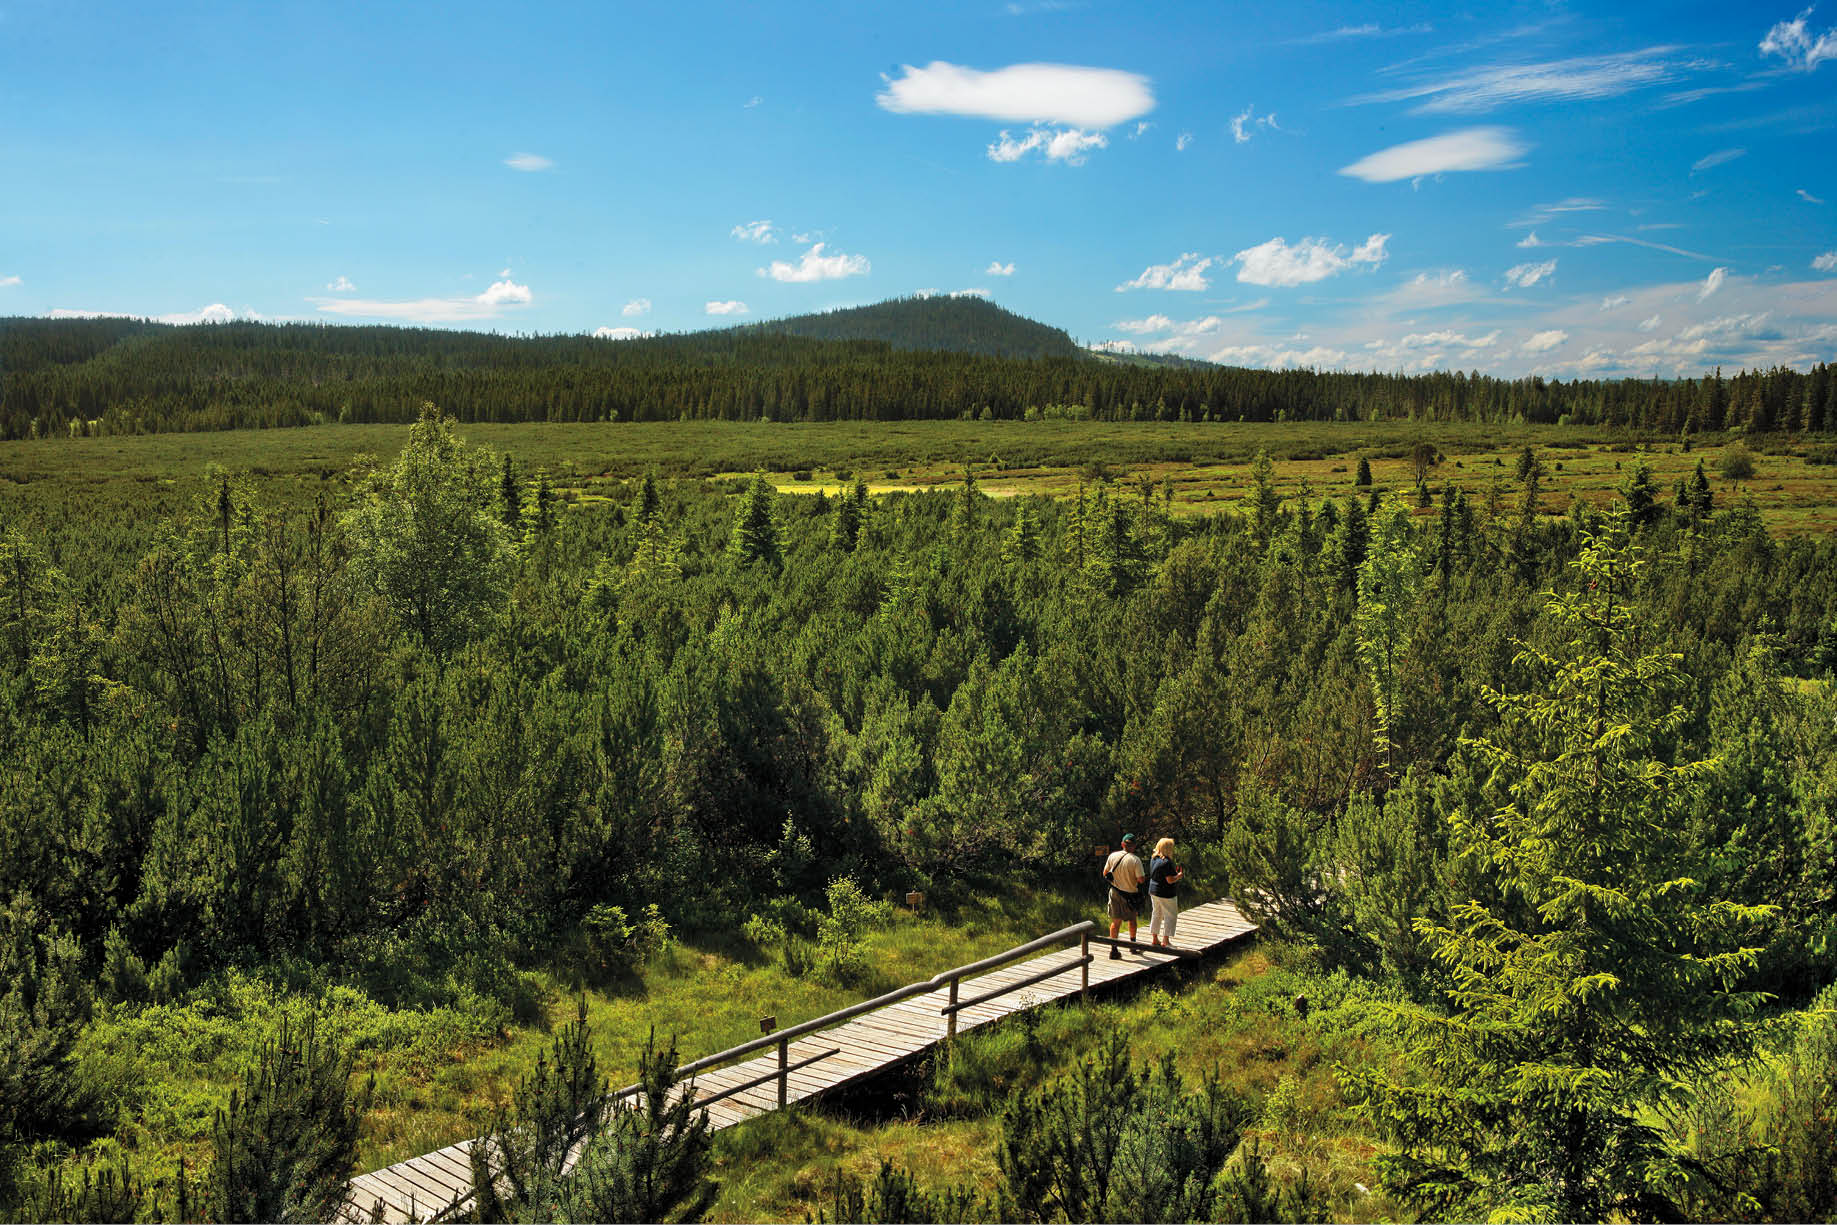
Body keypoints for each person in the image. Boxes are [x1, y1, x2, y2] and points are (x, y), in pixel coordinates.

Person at [1102, 833, 1147, 958]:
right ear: (1134, 846)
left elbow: (1105, 873)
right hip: (1130, 895)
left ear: (1122, 844)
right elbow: (1141, 879)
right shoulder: (1135, 860)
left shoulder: (1112, 856)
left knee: (1115, 922)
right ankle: (1132, 946)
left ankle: (1114, 949)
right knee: (1132, 920)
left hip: (1115, 892)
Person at [1147, 836, 1184, 948]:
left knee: (1156, 914)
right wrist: (1178, 876)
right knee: (1170, 915)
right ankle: (1165, 941)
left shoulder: (1154, 858)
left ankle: (1154, 938)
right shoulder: (1167, 862)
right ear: (1168, 848)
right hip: (1166, 893)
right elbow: (1170, 880)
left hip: (1153, 890)